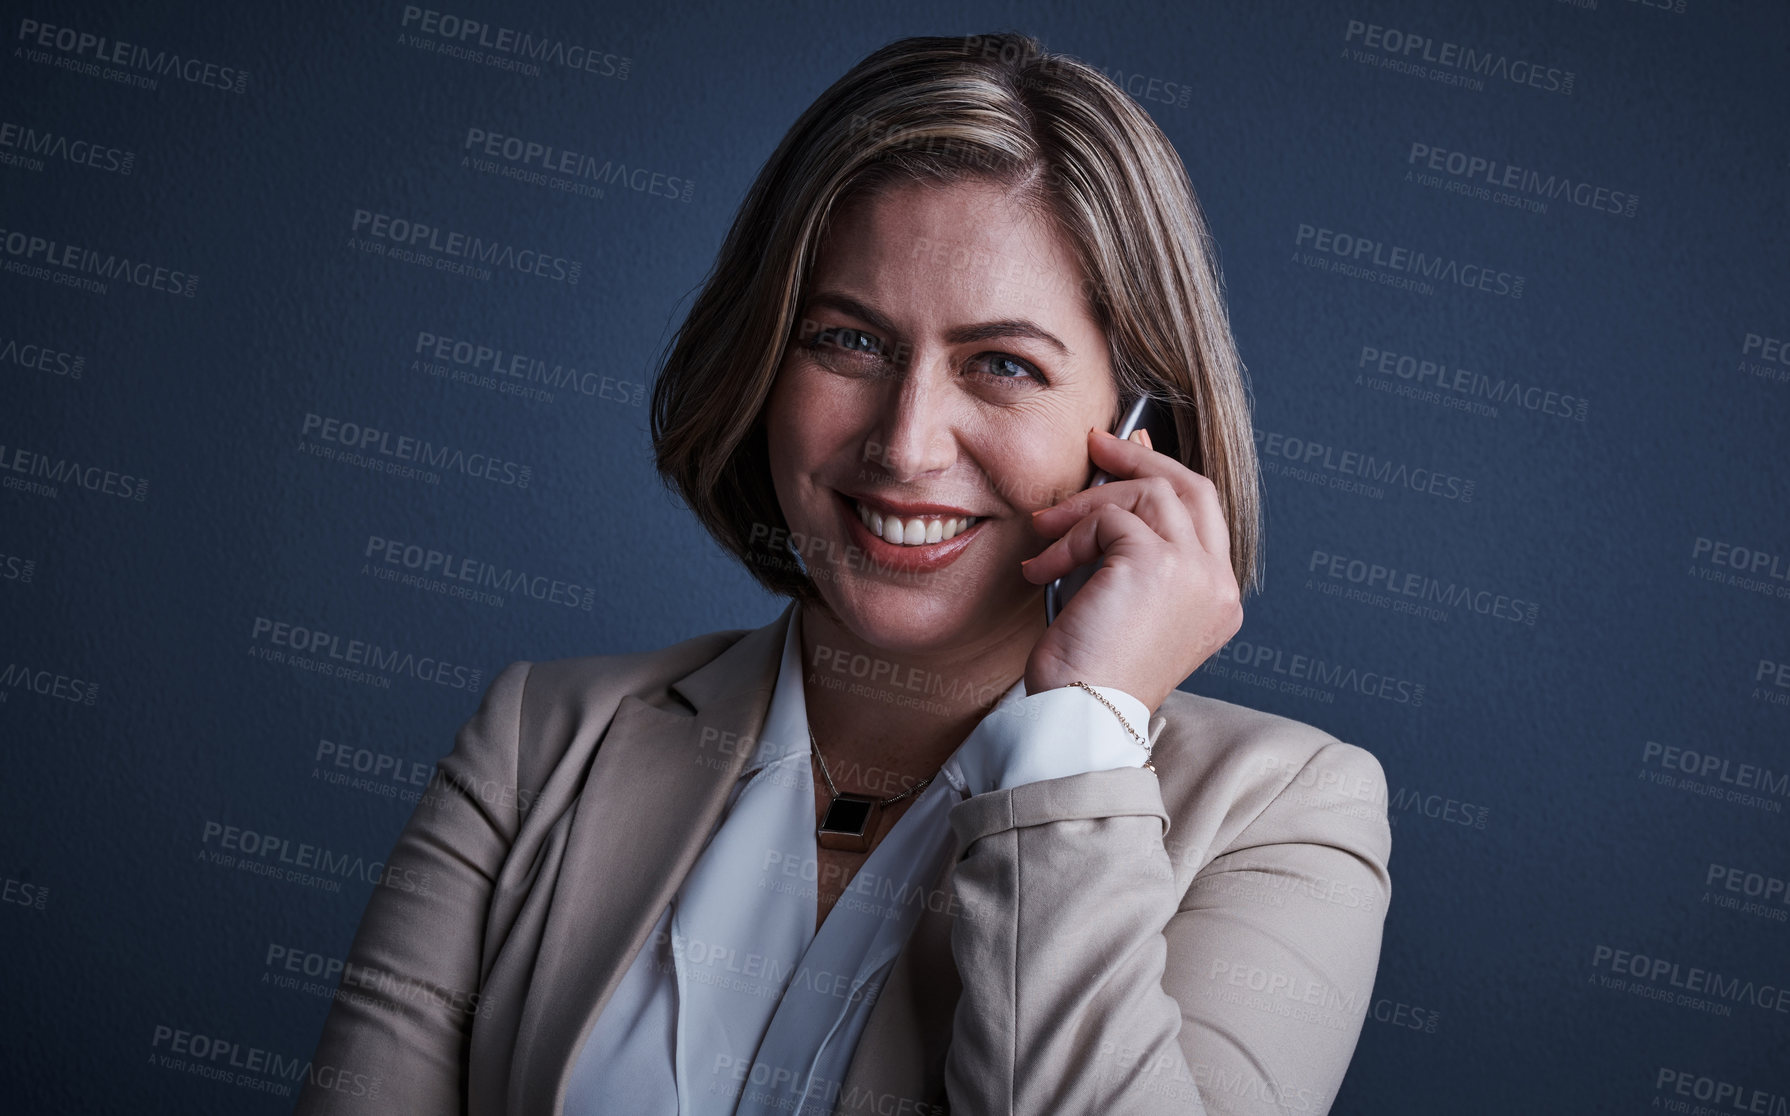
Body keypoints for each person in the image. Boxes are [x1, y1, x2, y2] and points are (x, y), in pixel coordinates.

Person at [295, 31, 1391, 1116]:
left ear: (1138, 432)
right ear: (763, 361)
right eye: (847, 343)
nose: (905, 447)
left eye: (1002, 365)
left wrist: (1080, 735)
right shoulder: (540, 739)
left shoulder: (1283, 816)